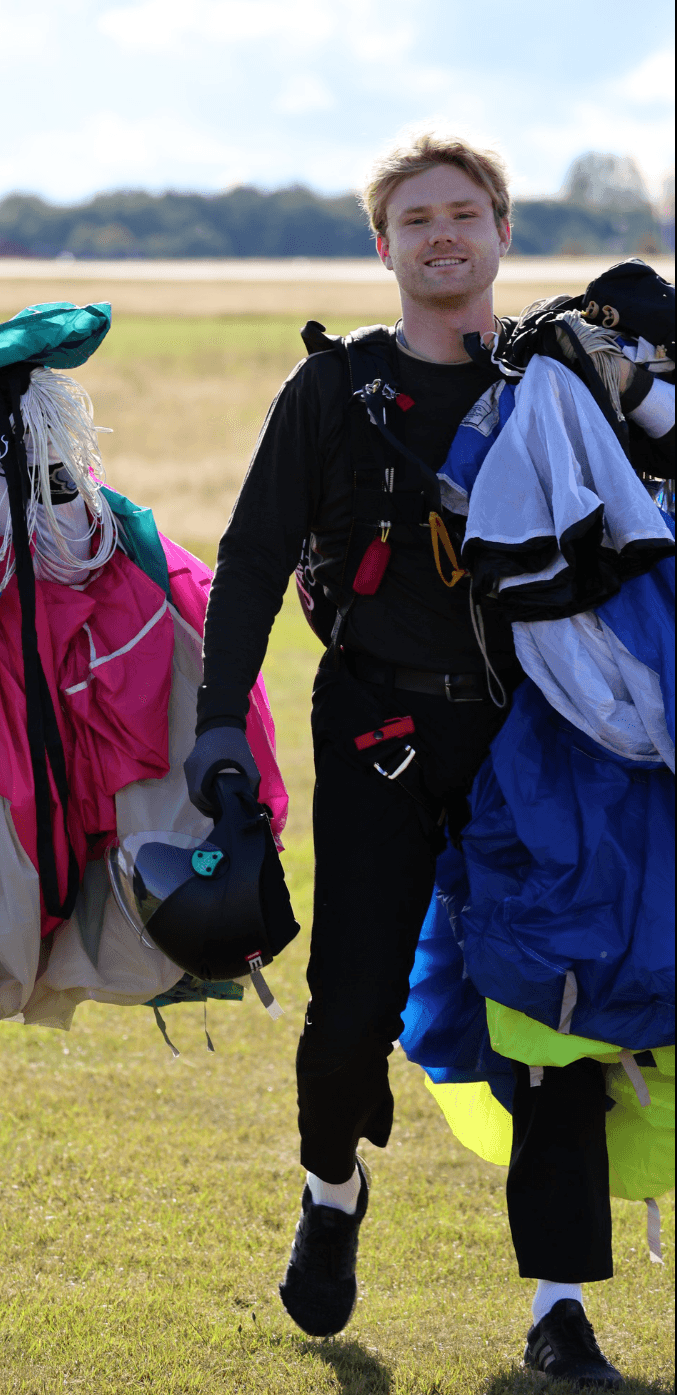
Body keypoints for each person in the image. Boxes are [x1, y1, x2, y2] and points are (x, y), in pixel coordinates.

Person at [185, 133, 673, 1388]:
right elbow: (247, 561)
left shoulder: (573, 382)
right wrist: (214, 722)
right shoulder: (335, 394)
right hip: (378, 733)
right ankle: (331, 1186)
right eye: (417, 218)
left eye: (467, 213)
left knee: (553, 1026)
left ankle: (559, 1312)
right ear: (383, 245)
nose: (444, 235)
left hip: (545, 749)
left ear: (504, 233)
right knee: (348, 1016)